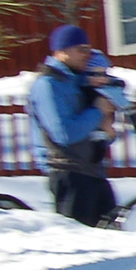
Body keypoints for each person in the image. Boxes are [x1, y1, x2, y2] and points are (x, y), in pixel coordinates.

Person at [26, 24, 118, 227]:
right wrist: (98, 111)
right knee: (82, 238)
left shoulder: (78, 81)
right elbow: (64, 133)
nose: (86, 54)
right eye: (80, 49)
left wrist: (107, 129)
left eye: (88, 48)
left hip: (93, 170)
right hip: (68, 172)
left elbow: (96, 127)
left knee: (111, 235)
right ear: (60, 51)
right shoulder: (48, 85)